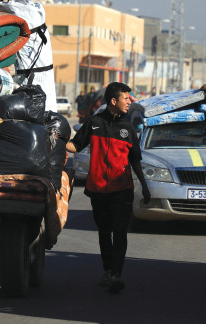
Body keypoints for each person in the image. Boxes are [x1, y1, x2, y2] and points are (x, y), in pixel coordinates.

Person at [66, 82, 151, 294]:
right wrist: (55, 140)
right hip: (97, 190)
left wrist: (145, 186)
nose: (129, 101)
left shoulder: (128, 128)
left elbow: (136, 161)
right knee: (104, 232)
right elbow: (75, 146)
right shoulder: (94, 123)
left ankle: (116, 274)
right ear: (114, 101)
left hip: (122, 189)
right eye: (126, 98)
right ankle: (108, 270)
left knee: (120, 232)